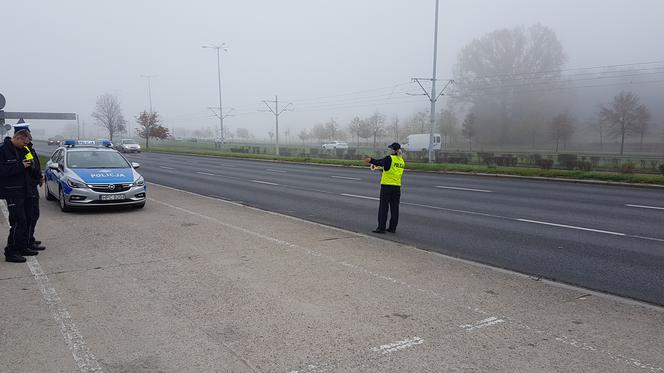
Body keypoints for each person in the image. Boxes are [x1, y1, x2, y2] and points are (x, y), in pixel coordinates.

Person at [0, 129, 39, 263]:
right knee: (18, 221)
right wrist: (20, 166)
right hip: (12, 192)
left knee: (27, 219)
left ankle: (22, 246)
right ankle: (11, 251)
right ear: (19, 138)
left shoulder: (22, 150)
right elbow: (3, 170)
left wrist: (33, 171)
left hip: (25, 191)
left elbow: (29, 167)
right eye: (24, 143)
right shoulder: (3, 150)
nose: (25, 146)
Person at [16, 123, 46, 252]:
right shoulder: (23, 149)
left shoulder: (28, 148)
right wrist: (37, 176)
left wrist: (39, 176)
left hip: (32, 184)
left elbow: (33, 164)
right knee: (31, 215)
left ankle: (29, 238)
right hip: (28, 186)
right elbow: (30, 166)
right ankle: (27, 241)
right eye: (27, 135)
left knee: (33, 214)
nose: (29, 138)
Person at [364, 142, 405, 234]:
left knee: (383, 207)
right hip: (397, 187)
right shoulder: (401, 160)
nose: (389, 150)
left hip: (387, 186)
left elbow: (379, 162)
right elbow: (392, 170)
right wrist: (381, 169)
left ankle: (381, 228)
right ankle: (392, 228)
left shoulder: (389, 158)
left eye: (390, 148)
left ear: (393, 150)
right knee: (395, 208)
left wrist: (370, 160)